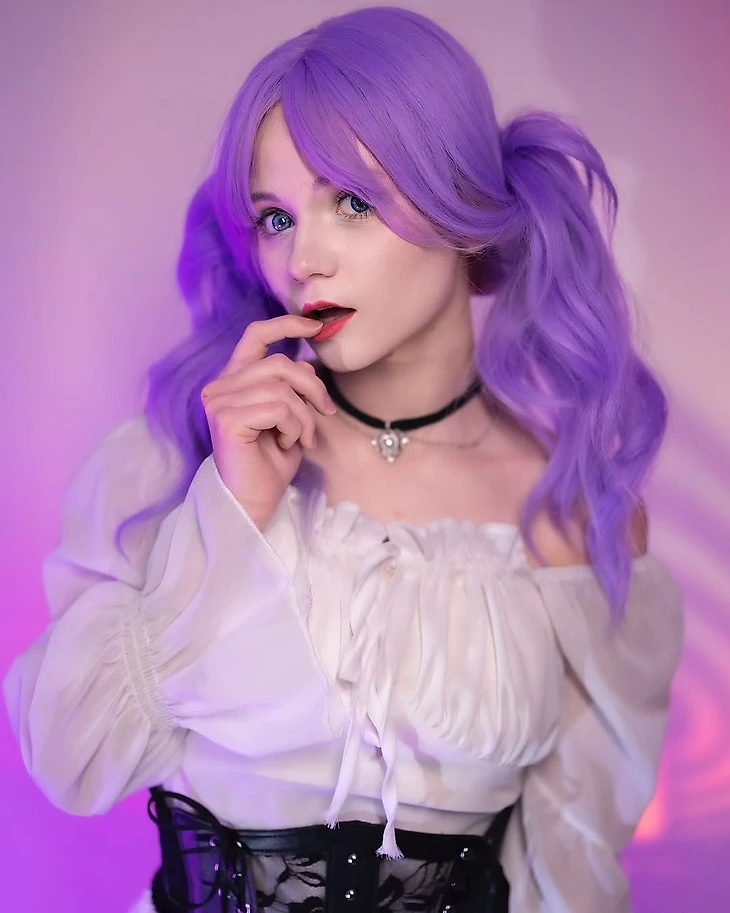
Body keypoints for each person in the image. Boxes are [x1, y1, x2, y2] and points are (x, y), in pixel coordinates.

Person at [3, 6, 684, 912]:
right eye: (275, 216)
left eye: (352, 203)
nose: (303, 259)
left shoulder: (567, 513)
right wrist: (231, 511)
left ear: (465, 213)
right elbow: (69, 761)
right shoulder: (176, 456)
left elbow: (573, 868)